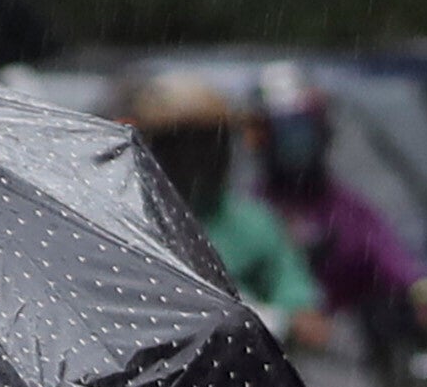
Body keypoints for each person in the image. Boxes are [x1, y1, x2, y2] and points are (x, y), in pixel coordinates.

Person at [248, 64, 427, 367]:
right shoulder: (250, 215)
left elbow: (391, 258)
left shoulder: (349, 211)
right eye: (284, 129)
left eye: (303, 126)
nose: (296, 140)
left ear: (323, 130)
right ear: (262, 138)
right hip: (268, 361)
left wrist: (424, 290)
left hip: (345, 362)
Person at [127, 71, 319, 337]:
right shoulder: (127, 226)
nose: (194, 156)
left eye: (207, 141)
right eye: (176, 143)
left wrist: (263, 317)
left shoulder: (256, 225)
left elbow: (311, 324)